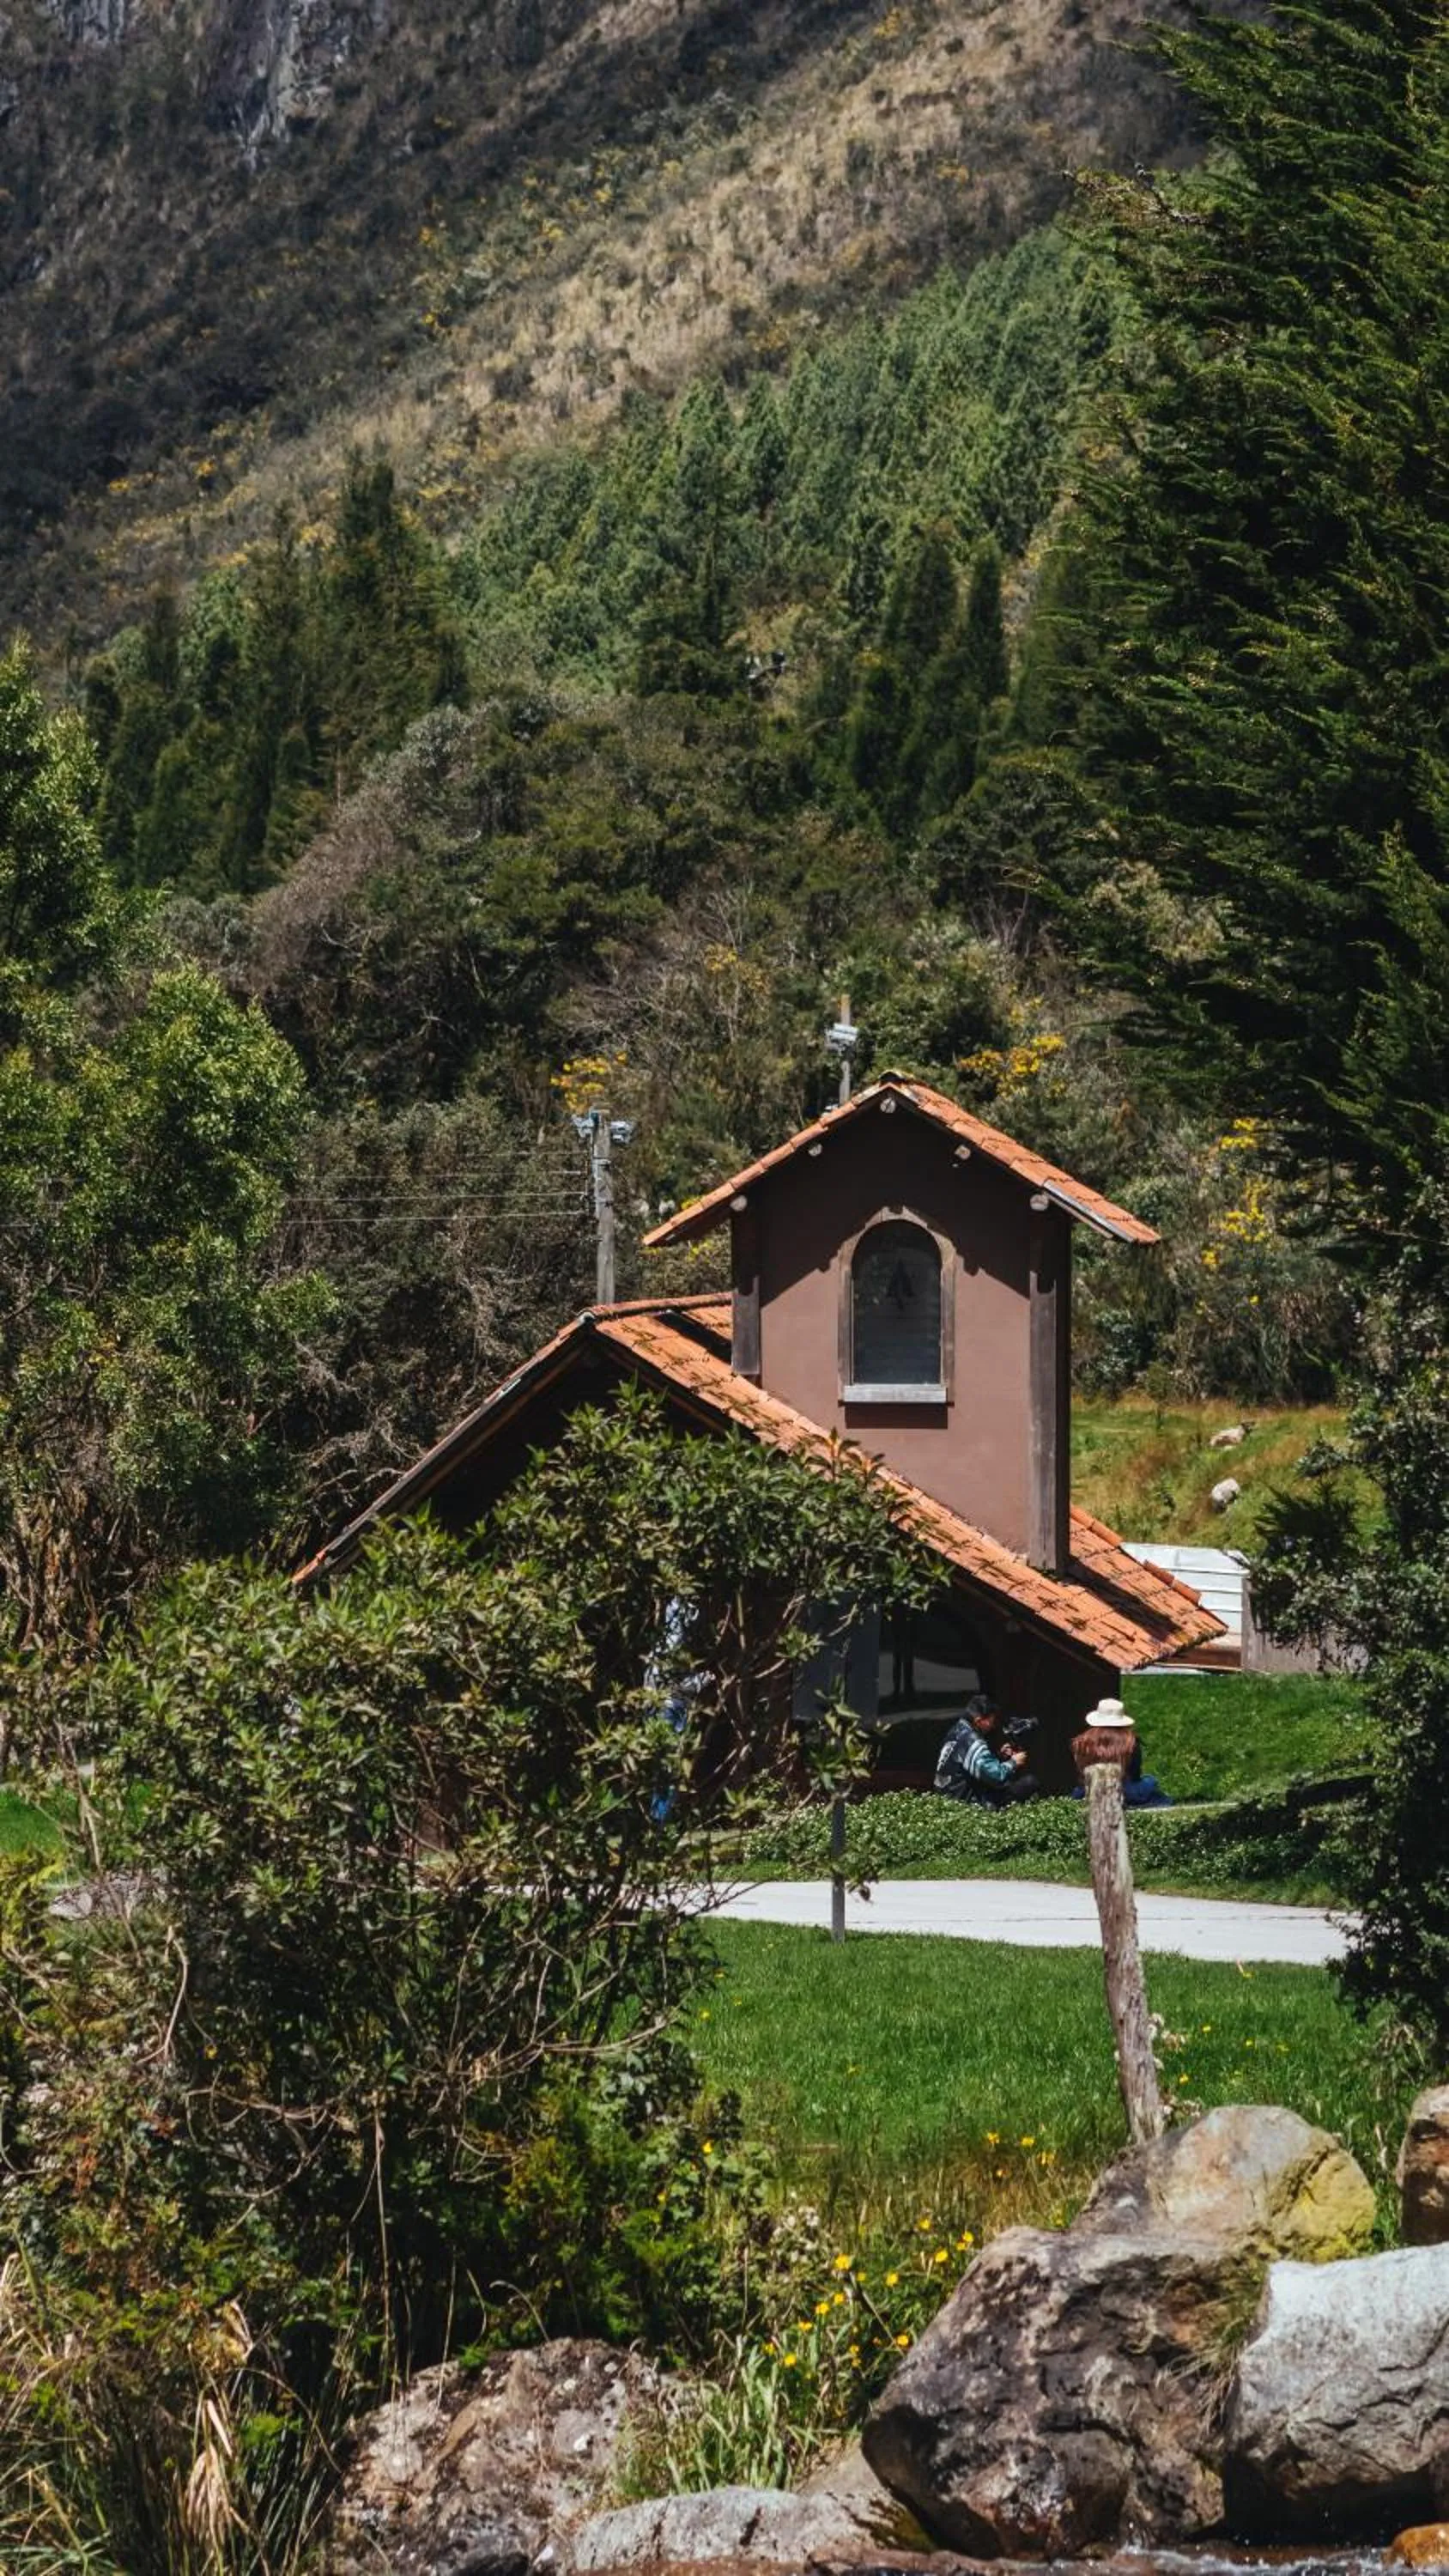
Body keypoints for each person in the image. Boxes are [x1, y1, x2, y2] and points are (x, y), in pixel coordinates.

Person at [934, 1692, 1040, 1806]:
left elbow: (970, 1766)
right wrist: (1014, 1762)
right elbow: (995, 1776)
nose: (992, 1725)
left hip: (948, 1797)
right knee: (1029, 1783)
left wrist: (999, 1757)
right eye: (991, 1721)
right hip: (964, 1804)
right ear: (979, 1721)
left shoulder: (956, 1731)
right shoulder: (972, 1740)